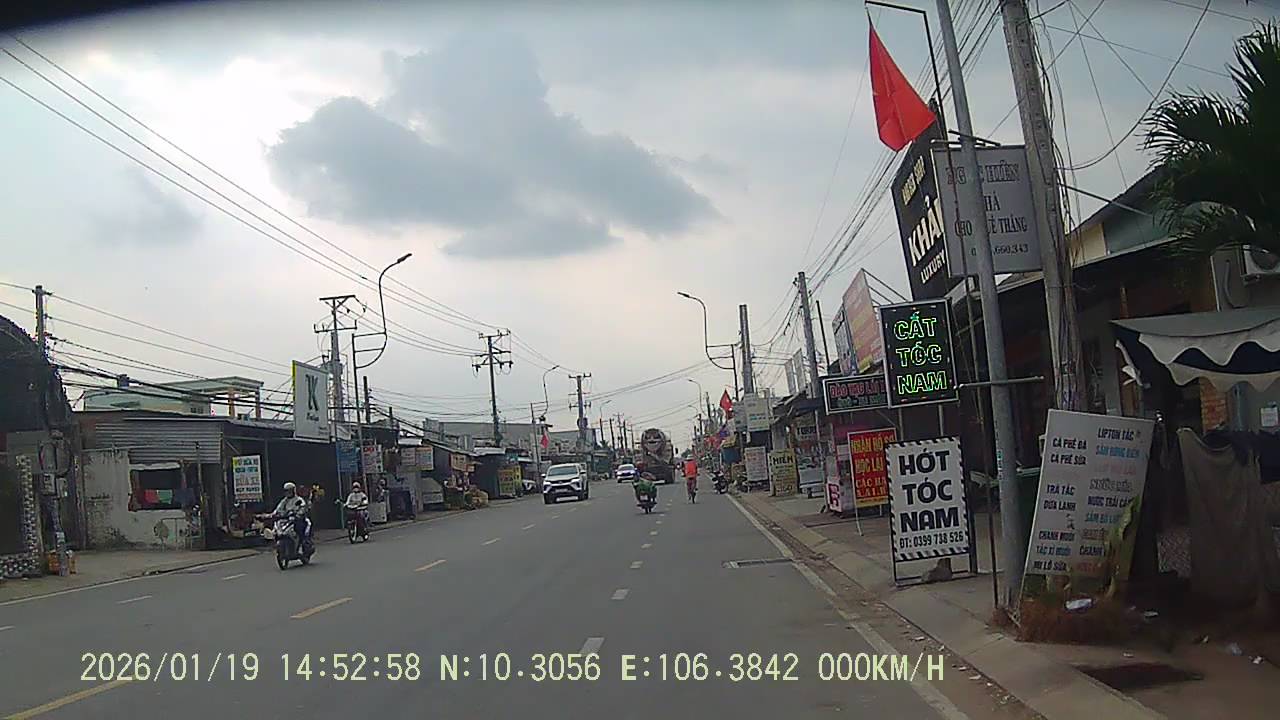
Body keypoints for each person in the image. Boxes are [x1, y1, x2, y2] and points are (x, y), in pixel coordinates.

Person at [273, 482, 312, 549]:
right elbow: (278, 508)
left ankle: (302, 544)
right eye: (286, 491)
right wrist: (275, 513)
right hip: (286, 519)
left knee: (299, 527)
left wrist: (299, 513)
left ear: (293, 490)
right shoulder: (284, 500)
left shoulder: (299, 499)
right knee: (278, 528)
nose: (288, 492)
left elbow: (302, 507)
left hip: (297, 519)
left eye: (289, 490)